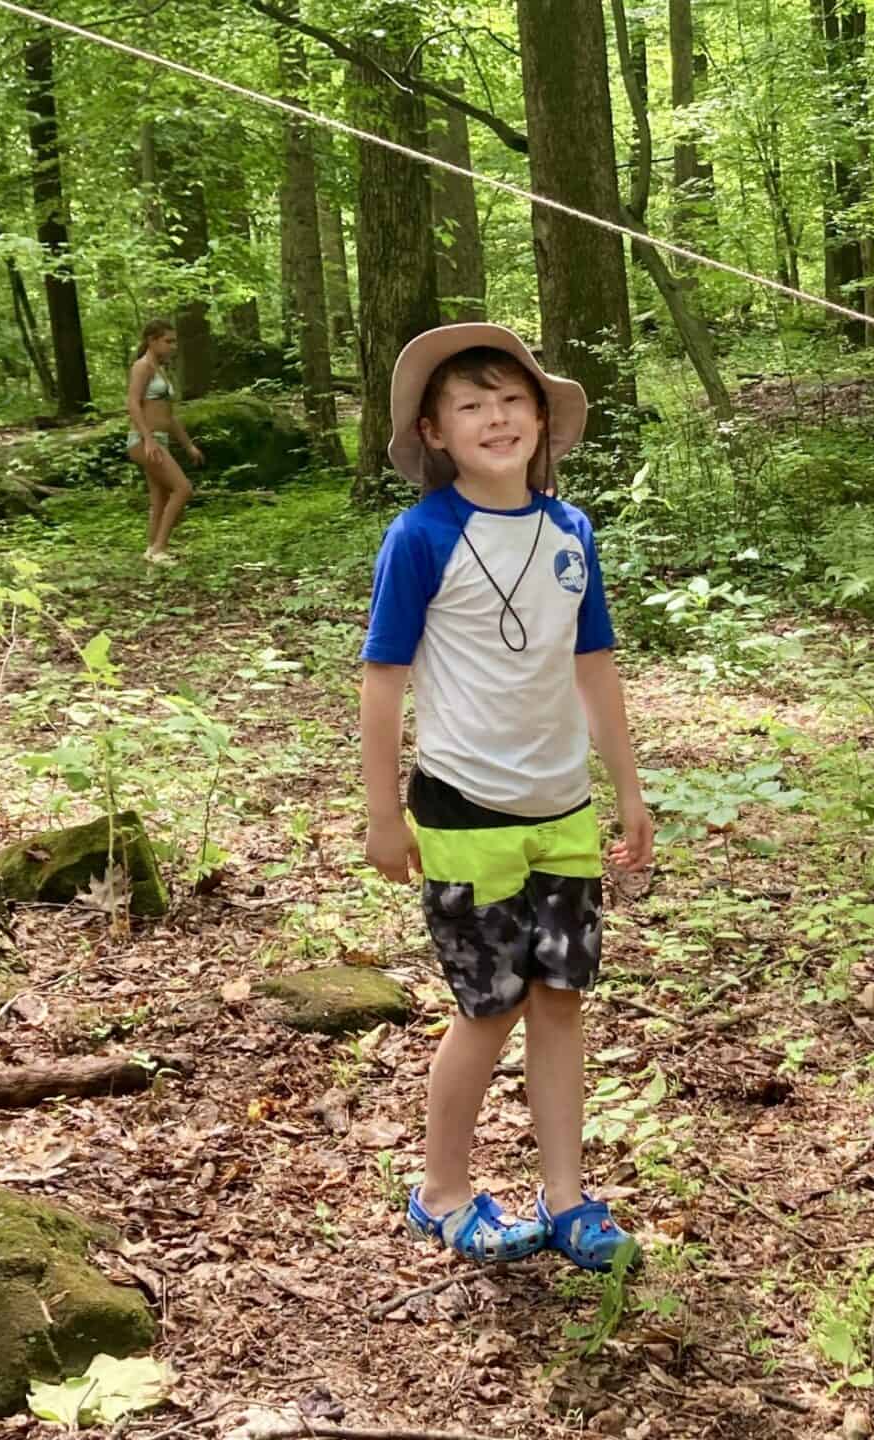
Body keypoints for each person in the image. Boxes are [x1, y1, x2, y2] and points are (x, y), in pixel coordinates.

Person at [359, 322, 655, 1274]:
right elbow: (382, 679)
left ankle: (566, 1197)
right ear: (436, 432)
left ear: (542, 419)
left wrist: (628, 791)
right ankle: (441, 1192)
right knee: (488, 1008)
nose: (497, 418)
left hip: (562, 804)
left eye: (512, 400)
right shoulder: (422, 536)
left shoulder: (571, 531)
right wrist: (379, 811)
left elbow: (594, 662)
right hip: (464, 805)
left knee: (561, 999)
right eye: (472, 405)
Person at [126, 319, 205, 564]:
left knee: (160, 496)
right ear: (152, 340)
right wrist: (147, 439)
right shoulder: (142, 367)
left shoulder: (161, 370)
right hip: (144, 440)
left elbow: (169, 418)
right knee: (183, 489)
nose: (174, 346)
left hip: (159, 439)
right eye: (168, 341)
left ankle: (151, 549)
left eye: (174, 341)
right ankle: (160, 549)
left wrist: (188, 445)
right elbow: (132, 403)